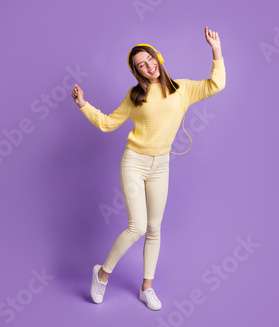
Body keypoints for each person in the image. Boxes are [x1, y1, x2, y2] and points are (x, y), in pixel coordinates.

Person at [71, 26, 225, 311]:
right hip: (134, 163)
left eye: (150, 59)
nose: (148, 66)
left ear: (159, 58)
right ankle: (102, 274)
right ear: (136, 72)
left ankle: (147, 288)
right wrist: (83, 105)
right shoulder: (135, 96)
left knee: (154, 228)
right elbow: (107, 124)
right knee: (138, 226)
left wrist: (215, 50)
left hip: (161, 165)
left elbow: (217, 85)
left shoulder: (182, 89)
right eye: (141, 65)